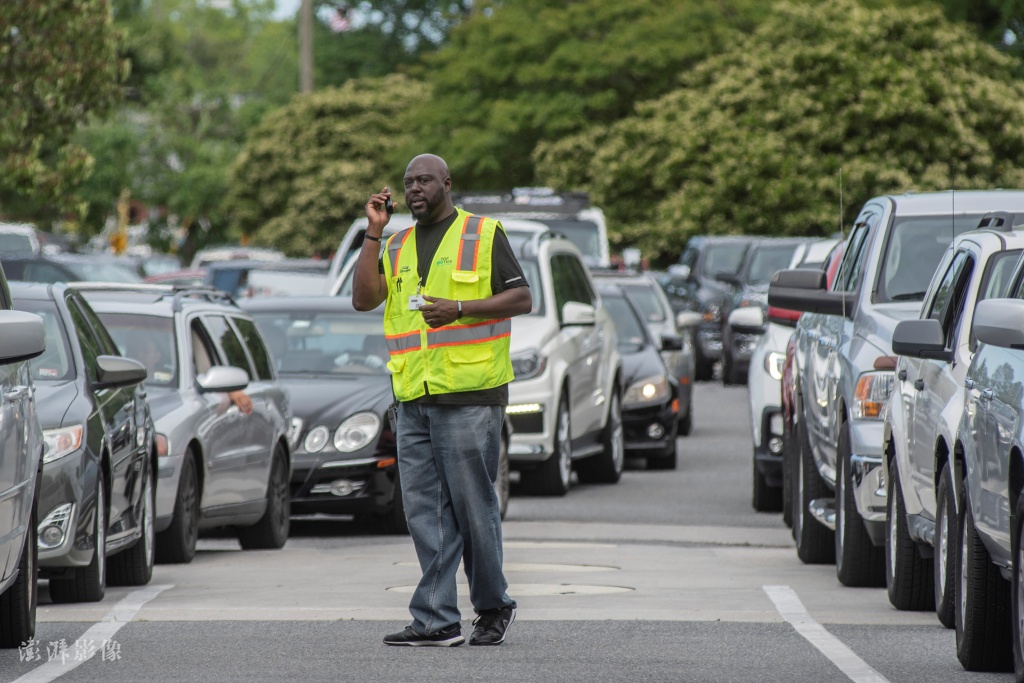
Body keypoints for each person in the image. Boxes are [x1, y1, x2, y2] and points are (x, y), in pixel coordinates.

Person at [352, 154, 532, 647]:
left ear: (447, 184)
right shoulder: (396, 243)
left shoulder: (482, 234)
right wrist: (372, 232)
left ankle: (493, 607)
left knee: (474, 509)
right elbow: (364, 299)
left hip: (471, 395)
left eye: (425, 180)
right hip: (413, 397)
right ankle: (436, 619)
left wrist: (460, 309)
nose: (415, 188)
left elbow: (522, 299)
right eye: (409, 182)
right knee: (423, 512)